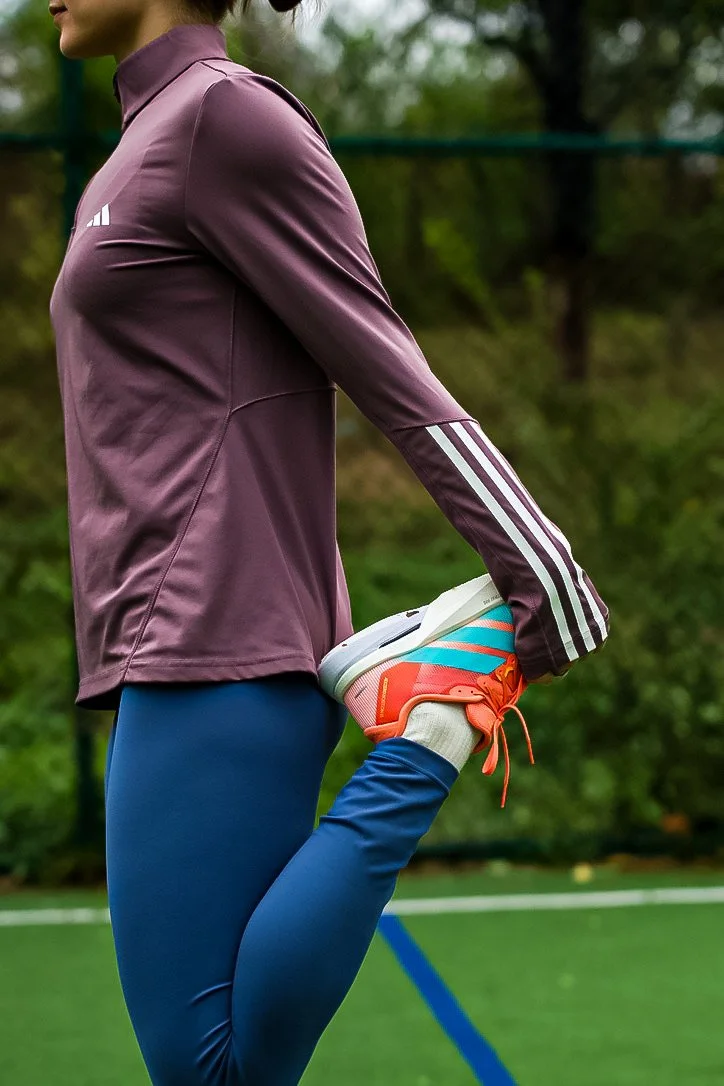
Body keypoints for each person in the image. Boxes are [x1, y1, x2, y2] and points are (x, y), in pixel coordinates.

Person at [48, 1, 609, 1083]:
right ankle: (427, 713)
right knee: (221, 1071)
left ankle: (431, 726)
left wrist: (532, 559)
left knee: (210, 1071)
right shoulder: (141, 140)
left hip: (220, 628)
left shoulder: (227, 120)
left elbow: (384, 361)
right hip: (157, 639)